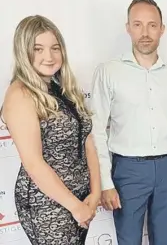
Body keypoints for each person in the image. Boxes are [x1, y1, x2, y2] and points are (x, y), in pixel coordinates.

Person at [90, 0, 167, 245]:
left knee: (163, 241)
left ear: (162, 29)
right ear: (128, 28)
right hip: (128, 170)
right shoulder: (109, 72)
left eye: (152, 25)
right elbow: (97, 131)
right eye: (137, 25)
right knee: (128, 240)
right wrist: (105, 182)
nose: (145, 32)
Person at [0, 15, 100, 244]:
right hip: (47, 204)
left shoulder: (61, 88)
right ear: (23, 52)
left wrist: (94, 194)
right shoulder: (20, 94)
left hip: (80, 199)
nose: (49, 56)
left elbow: (87, 142)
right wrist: (75, 207)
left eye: (55, 48)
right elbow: (33, 163)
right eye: (38, 49)